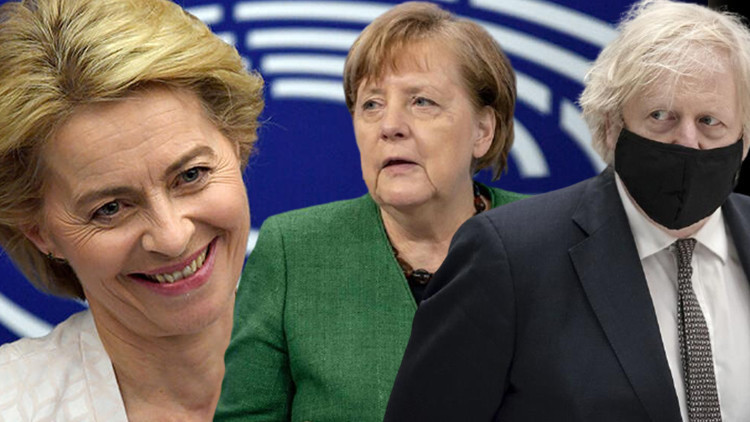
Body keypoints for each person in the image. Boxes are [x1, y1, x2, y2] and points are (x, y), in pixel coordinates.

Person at [384, 1, 750, 421]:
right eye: (660, 115)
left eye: (710, 121)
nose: (686, 141)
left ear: (744, 140)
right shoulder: (507, 257)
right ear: (612, 126)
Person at [215, 2, 525, 421]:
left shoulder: (547, 243)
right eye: (372, 105)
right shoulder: (294, 250)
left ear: (483, 130)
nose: (389, 126)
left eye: (422, 101)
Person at [0, 0, 263, 420]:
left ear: (237, 144)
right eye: (110, 208)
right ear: (40, 232)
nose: (172, 237)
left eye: (191, 175)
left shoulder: (365, 355)